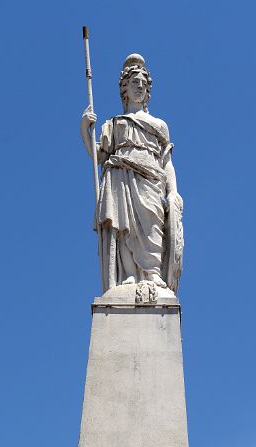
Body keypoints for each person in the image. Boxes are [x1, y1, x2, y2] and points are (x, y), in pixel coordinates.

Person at [80, 54, 183, 294]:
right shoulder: (114, 124)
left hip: (151, 178)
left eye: (142, 84)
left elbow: (167, 162)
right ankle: (127, 274)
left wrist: (173, 191)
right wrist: (84, 130)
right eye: (133, 82)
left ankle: (154, 274)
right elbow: (99, 155)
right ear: (124, 88)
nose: (139, 87)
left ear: (148, 91)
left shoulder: (158, 125)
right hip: (120, 175)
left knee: (151, 223)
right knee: (123, 225)